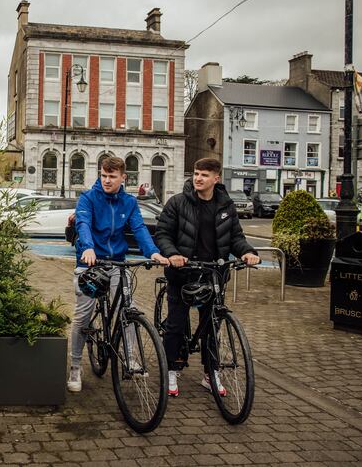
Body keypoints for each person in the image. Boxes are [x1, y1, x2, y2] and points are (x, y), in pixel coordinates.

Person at [153, 158, 260, 397]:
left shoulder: (226, 205)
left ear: (216, 178)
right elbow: (162, 235)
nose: (198, 178)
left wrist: (248, 252)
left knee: (212, 326)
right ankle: (171, 369)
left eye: (204, 174)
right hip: (183, 273)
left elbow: (236, 237)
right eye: (196, 173)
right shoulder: (178, 203)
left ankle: (210, 373)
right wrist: (172, 254)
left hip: (214, 274)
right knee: (176, 324)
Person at [67, 156, 169, 392]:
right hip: (90, 263)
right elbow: (83, 223)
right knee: (83, 316)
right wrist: (89, 247)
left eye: (112, 176)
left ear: (123, 178)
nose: (107, 180)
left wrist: (152, 253)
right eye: (104, 175)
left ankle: (131, 358)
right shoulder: (88, 198)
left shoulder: (129, 202)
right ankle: (74, 367)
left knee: (128, 308)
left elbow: (139, 228)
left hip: (117, 263)